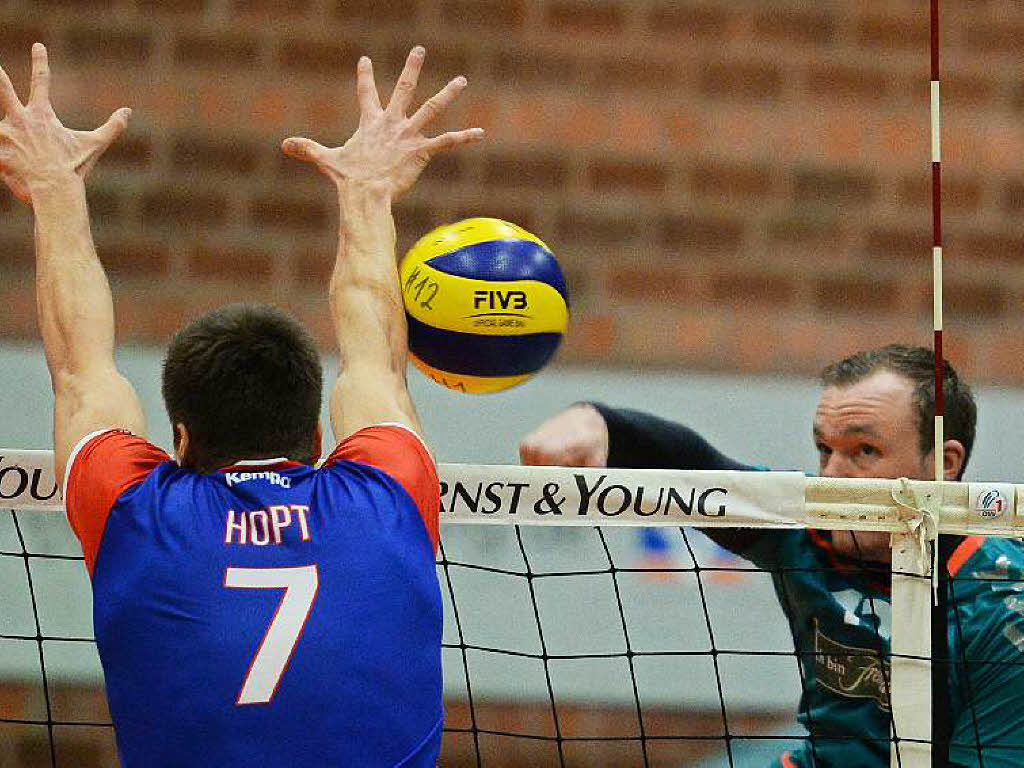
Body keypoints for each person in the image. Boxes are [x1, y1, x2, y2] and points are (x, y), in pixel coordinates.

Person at [0, 43, 482, 766]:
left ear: (180, 438)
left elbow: (79, 365)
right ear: (318, 434)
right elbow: (374, 351)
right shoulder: (387, 498)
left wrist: (55, 188)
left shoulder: (137, 515)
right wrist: (368, 190)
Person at [520, 345, 1024, 768]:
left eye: (864, 451)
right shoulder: (806, 527)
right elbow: (698, 470)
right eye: (824, 450)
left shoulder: (1001, 607)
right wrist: (599, 422)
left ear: (945, 464)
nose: (833, 475)